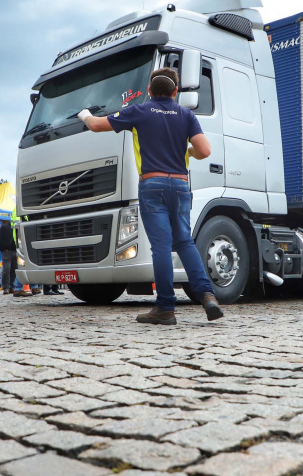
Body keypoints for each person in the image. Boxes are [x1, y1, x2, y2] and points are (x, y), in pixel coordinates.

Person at [79, 67, 222, 325]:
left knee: (161, 247)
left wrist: (85, 114)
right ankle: (207, 296)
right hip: (180, 185)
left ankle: (166, 308)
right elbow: (205, 150)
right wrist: (188, 152)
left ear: (149, 90)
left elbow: (96, 125)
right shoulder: (186, 115)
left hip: (152, 185)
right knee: (185, 242)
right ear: (175, 91)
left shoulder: (140, 110)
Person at [0, 217, 18, 295]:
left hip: (13, 251)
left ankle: (11, 287)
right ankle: (6, 287)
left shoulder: (13, 228)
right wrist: (4, 248)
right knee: (7, 269)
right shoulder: (5, 227)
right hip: (8, 251)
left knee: (14, 269)